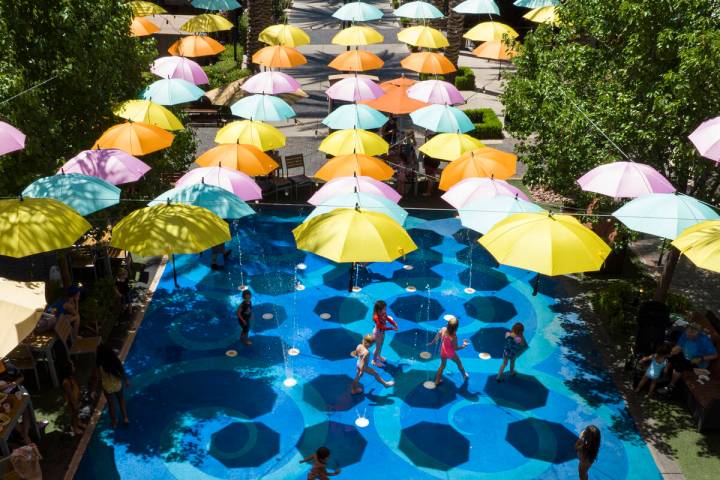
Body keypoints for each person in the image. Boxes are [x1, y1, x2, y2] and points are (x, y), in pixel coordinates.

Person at [659, 319, 718, 394]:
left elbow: (715, 355)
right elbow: (678, 347)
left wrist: (701, 358)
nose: (688, 336)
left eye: (691, 336)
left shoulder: (705, 341)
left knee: (680, 366)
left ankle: (671, 387)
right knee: (670, 356)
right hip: (686, 355)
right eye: (687, 334)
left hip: (697, 362)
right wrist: (673, 351)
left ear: (697, 334)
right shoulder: (685, 334)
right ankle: (664, 375)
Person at [94, 343, 130, 428]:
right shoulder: (115, 360)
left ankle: (114, 422)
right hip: (117, 385)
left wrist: (95, 388)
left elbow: (97, 377)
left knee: (111, 405)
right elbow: (121, 371)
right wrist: (126, 381)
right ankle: (125, 417)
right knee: (121, 401)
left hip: (107, 387)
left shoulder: (99, 364)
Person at [429, 317, 469, 385]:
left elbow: (437, 335)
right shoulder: (453, 337)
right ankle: (464, 376)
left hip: (443, 351)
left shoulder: (443, 329)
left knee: (442, 366)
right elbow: (455, 348)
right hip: (450, 353)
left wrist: (432, 342)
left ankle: (437, 381)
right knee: (459, 363)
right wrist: (463, 346)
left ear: (447, 324)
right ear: (456, 328)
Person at [0, 359, 32, 444]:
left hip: (16, 393)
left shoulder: (9, 366)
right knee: (10, 416)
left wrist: (13, 384)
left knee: (25, 410)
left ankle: (24, 435)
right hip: (3, 399)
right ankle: (25, 436)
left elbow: (21, 377)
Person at [60, 360, 86, 435]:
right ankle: (75, 428)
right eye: (73, 366)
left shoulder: (71, 378)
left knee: (77, 412)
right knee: (74, 414)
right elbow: (70, 395)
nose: (74, 367)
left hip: (76, 398)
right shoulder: (66, 382)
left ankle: (78, 422)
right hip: (72, 401)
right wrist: (74, 404)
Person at [371, 300, 398, 367]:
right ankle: (374, 361)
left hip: (382, 332)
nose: (385, 310)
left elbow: (387, 319)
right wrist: (392, 328)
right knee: (377, 348)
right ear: (379, 310)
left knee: (381, 345)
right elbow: (382, 327)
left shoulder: (383, 313)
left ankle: (379, 356)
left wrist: (394, 323)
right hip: (377, 333)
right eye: (384, 309)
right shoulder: (376, 317)